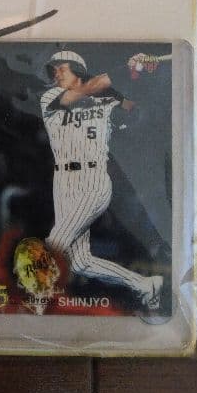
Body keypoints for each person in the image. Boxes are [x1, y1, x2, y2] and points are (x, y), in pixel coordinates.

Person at [40, 49, 163, 310]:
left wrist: (139, 71)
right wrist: (123, 69)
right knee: (80, 263)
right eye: (54, 69)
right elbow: (89, 89)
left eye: (62, 68)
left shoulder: (107, 98)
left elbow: (138, 113)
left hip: (92, 179)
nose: (56, 73)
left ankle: (25, 301)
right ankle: (144, 284)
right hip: (62, 183)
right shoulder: (50, 98)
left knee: (55, 244)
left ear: (78, 70)